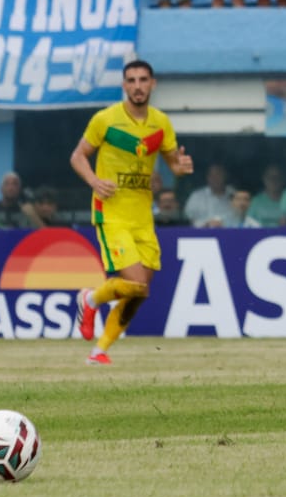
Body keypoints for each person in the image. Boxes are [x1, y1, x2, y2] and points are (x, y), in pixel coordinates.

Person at [71, 60, 196, 366]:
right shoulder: (105, 119)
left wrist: (181, 167)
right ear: (124, 85)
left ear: (152, 84)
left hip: (143, 217)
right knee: (136, 283)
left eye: (143, 80)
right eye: (131, 80)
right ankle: (89, 299)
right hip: (112, 212)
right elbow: (78, 156)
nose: (137, 86)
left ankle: (99, 351)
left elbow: (173, 164)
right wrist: (94, 181)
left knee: (140, 292)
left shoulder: (160, 123)